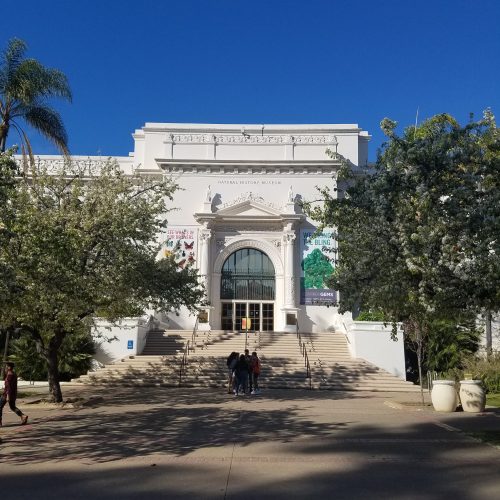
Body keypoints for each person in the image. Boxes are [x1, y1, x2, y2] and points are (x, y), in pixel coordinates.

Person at [1, 362, 28, 426]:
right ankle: (23, 416)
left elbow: (9, 386)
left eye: (6, 366)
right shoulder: (14, 374)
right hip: (13, 394)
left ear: (9, 367)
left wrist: (7, 395)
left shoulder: (10, 375)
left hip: (7, 394)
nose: (5, 367)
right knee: (12, 407)